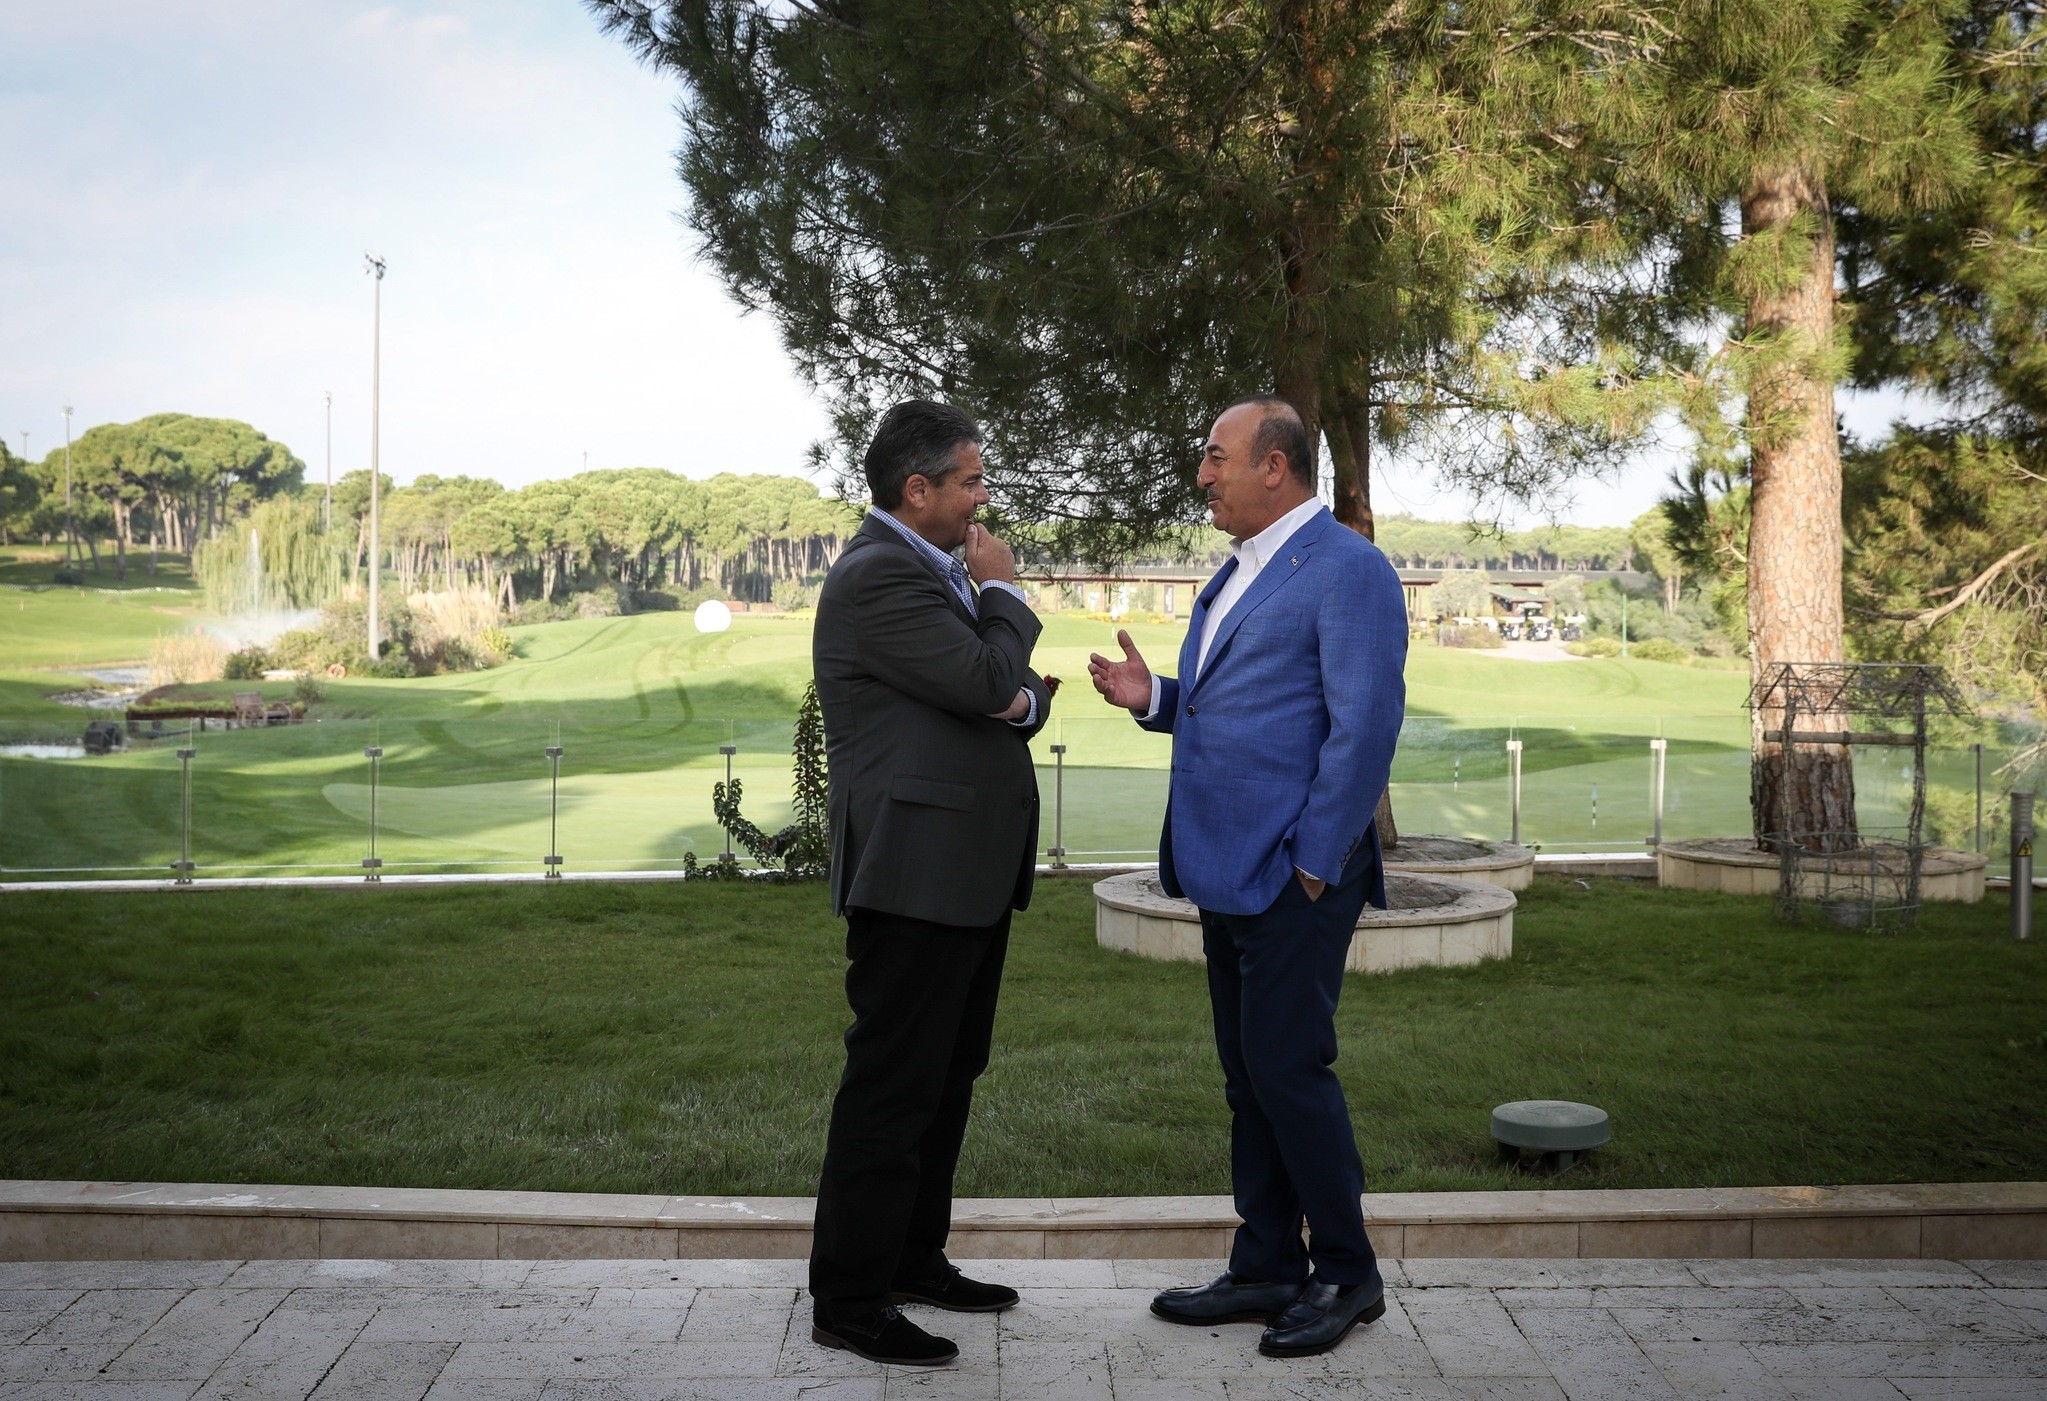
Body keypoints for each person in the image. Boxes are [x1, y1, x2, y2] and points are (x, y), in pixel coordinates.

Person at [1087, 394, 1407, 1359]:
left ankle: (1347, 1274)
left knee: (1287, 1072)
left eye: (1216, 456)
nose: (1203, 473)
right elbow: (1247, 709)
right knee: (1246, 1079)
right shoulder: (1235, 573)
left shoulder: (1348, 570)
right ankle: (1266, 1262)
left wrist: (1311, 866)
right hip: (1224, 869)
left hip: (1290, 877)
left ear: (1276, 466)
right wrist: (1159, 701)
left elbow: (1362, 732)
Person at [806, 399, 1054, 1367]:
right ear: (918, 490)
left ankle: (913, 1258)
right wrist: (1006, 594)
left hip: (963, 877)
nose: (984, 500)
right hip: (913, 877)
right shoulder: (879, 578)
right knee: (891, 1089)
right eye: (972, 481)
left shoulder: (922, 572)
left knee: (945, 1079)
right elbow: (993, 684)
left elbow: (1003, 699)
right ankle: (850, 1298)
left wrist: (1011, 690)